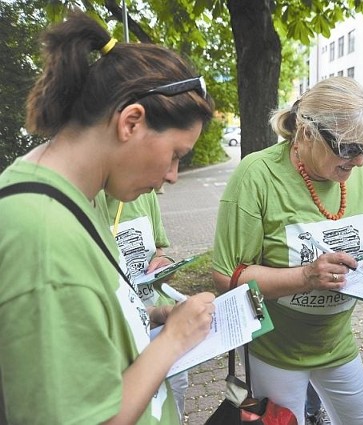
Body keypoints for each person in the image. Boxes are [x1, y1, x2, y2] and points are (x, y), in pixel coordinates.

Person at [0, 11, 215, 424]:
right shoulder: (43, 238)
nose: (172, 176)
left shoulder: (76, 197)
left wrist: (147, 318)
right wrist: (172, 342)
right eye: (175, 155)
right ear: (131, 121)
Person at [211, 76, 363, 425]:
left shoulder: (360, 171)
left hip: (338, 343)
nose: (358, 162)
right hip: (276, 353)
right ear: (307, 132)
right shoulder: (258, 174)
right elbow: (226, 275)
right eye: (349, 148)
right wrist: (306, 276)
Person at [96, 190, 190, 422]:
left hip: (159, 324)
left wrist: (164, 265)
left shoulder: (143, 193)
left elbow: (159, 251)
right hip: (120, 339)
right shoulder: (85, 205)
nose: (170, 179)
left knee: (171, 406)